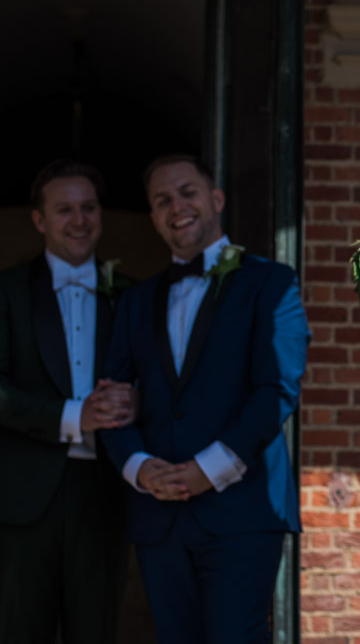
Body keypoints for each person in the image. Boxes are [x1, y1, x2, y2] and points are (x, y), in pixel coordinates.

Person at [100, 154, 307, 644]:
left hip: (242, 508)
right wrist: (138, 467)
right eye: (162, 200)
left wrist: (207, 469)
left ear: (215, 199)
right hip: (159, 517)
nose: (178, 207)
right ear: (152, 217)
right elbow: (112, 398)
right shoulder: (133, 302)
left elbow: (277, 389)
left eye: (188, 192)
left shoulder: (271, 283)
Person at [0, 159, 134, 644]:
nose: (79, 220)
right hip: (20, 494)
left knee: (96, 632)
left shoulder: (131, 294)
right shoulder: (5, 290)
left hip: (105, 493)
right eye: (64, 210)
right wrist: (72, 415)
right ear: (39, 220)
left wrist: (136, 399)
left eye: (88, 207)